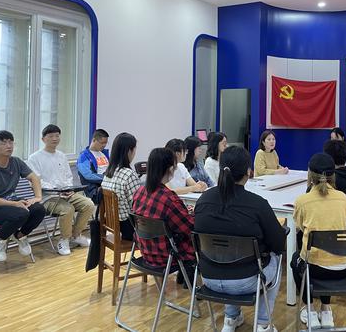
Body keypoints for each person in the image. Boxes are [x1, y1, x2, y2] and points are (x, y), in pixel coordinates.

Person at [194, 146, 285, 332]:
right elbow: (278, 243)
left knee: (228, 257)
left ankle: (231, 319)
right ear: (248, 172)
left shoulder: (203, 200)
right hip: (246, 280)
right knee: (275, 258)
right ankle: (263, 323)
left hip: (208, 277)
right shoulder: (257, 204)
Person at [292, 153, 346, 329]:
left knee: (296, 260)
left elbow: (300, 227)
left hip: (314, 269)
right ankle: (326, 310)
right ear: (333, 175)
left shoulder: (303, 201)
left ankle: (309, 309)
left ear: (310, 175)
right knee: (329, 251)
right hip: (343, 267)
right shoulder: (344, 198)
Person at [0, 130, 46, 263]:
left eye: (11, 142)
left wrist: (37, 197)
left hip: (11, 204)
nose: (9, 146)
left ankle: (20, 235)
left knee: (39, 209)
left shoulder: (16, 162)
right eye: (4, 143)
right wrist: (15, 204)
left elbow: (34, 178)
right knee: (21, 213)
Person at [28, 124, 94, 256]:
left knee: (89, 204)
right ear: (43, 139)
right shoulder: (34, 158)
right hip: (47, 197)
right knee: (67, 209)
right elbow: (36, 181)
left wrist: (68, 188)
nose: (54, 138)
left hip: (66, 193)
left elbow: (68, 176)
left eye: (57, 136)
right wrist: (57, 190)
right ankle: (64, 240)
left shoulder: (61, 156)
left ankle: (76, 235)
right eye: (51, 136)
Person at [132, 147, 196, 280]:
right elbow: (190, 227)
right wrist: (193, 214)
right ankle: (190, 280)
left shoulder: (139, 192)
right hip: (168, 255)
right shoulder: (168, 198)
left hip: (145, 251)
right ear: (170, 169)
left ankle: (185, 278)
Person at [101, 133, 141, 241]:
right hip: (128, 228)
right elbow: (138, 205)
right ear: (129, 151)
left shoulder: (108, 173)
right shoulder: (129, 174)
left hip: (112, 224)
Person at [77, 129, 110, 203]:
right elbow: (88, 175)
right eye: (102, 143)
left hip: (108, 183)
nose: (104, 145)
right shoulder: (83, 156)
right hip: (95, 189)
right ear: (94, 140)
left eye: (106, 143)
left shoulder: (105, 153)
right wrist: (106, 179)